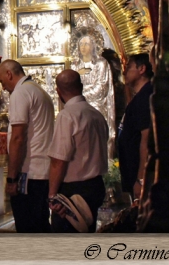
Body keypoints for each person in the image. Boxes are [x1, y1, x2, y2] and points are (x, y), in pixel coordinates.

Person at [0, 59, 55, 233]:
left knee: (28, 228)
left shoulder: (20, 93)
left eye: (2, 81)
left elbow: (18, 138)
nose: (3, 87)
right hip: (43, 172)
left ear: (9, 74)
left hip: (29, 175)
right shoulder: (39, 91)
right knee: (40, 224)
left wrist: (12, 178)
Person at [47, 69, 109, 233]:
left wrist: (52, 196)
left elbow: (59, 160)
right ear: (81, 87)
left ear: (58, 91)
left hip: (73, 192)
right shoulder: (97, 115)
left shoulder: (67, 116)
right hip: (95, 185)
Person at [71, 34, 116, 158]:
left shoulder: (101, 64)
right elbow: (68, 87)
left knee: (96, 142)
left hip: (97, 107)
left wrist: (78, 96)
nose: (83, 47)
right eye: (81, 44)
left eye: (87, 44)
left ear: (93, 46)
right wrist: (76, 74)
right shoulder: (74, 66)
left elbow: (101, 89)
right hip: (78, 110)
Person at [117, 53, 153, 200]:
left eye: (129, 67)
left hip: (142, 179)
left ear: (142, 69)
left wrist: (141, 179)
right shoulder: (139, 98)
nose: (125, 72)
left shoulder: (145, 97)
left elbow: (147, 138)